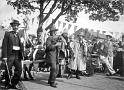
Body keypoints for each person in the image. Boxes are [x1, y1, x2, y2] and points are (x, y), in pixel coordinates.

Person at [1, 20, 23, 89]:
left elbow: (21, 46)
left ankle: (14, 83)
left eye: (17, 26)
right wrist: (4, 56)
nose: (16, 27)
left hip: (17, 55)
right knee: (8, 70)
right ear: (12, 26)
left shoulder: (19, 35)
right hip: (10, 54)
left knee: (19, 70)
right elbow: (4, 45)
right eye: (14, 25)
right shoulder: (8, 34)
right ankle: (7, 84)